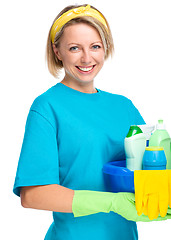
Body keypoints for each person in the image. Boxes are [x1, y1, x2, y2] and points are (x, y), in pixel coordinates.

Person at [13, 4, 171, 240]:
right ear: (57, 51)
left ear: (105, 48)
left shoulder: (123, 106)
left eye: (95, 46)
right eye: (74, 48)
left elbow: (151, 167)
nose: (87, 58)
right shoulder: (47, 107)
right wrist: (112, 202)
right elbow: (33, 195)